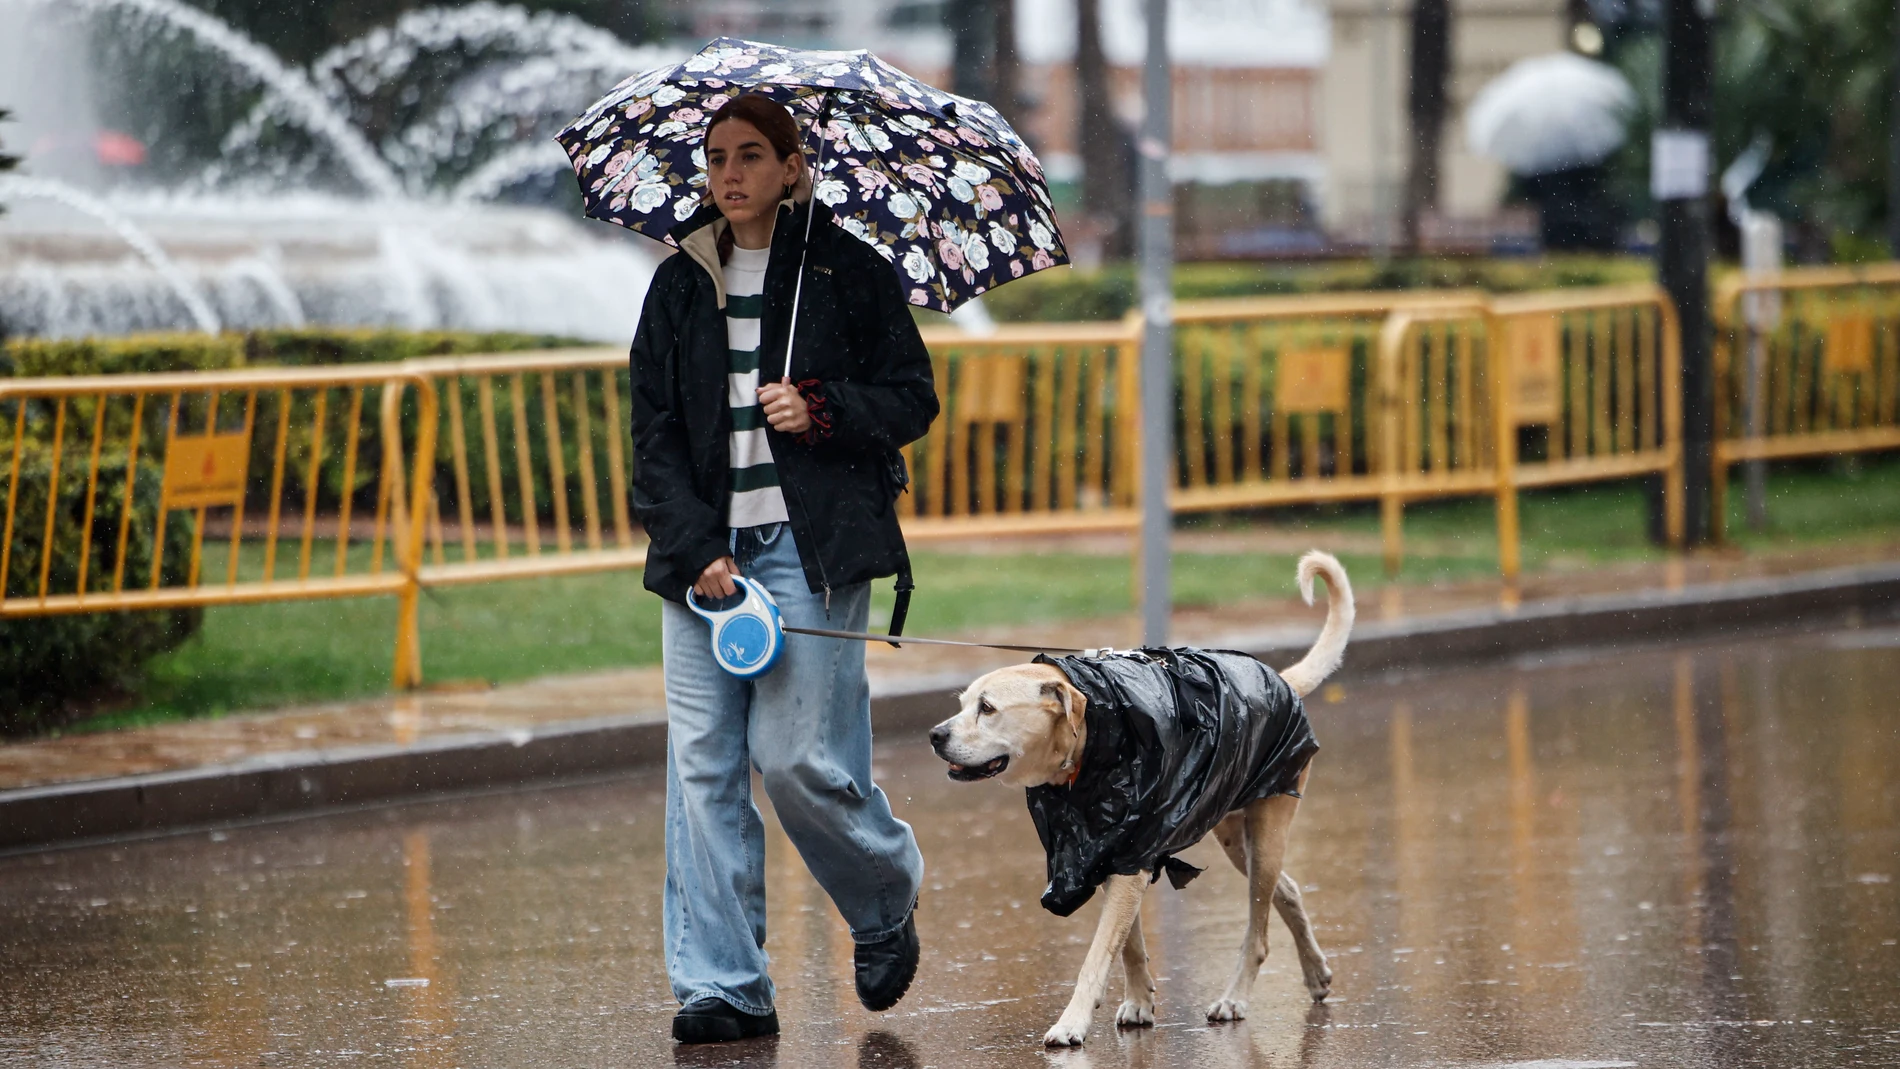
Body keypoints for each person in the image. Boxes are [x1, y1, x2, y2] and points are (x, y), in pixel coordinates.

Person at [626, 92, 937, 1045]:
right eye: (716, 156)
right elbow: (655, 441)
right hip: (706, 566)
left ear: (793, 165)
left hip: (815, 554)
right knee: (703, 767)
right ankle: (726, 981)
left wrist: (824, 408)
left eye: (751, 155)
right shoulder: (681, 283)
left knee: (797, 758)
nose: (729, 173)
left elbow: (912, 397)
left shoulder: (847, 270)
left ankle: (883, 895)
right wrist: (696, 552)